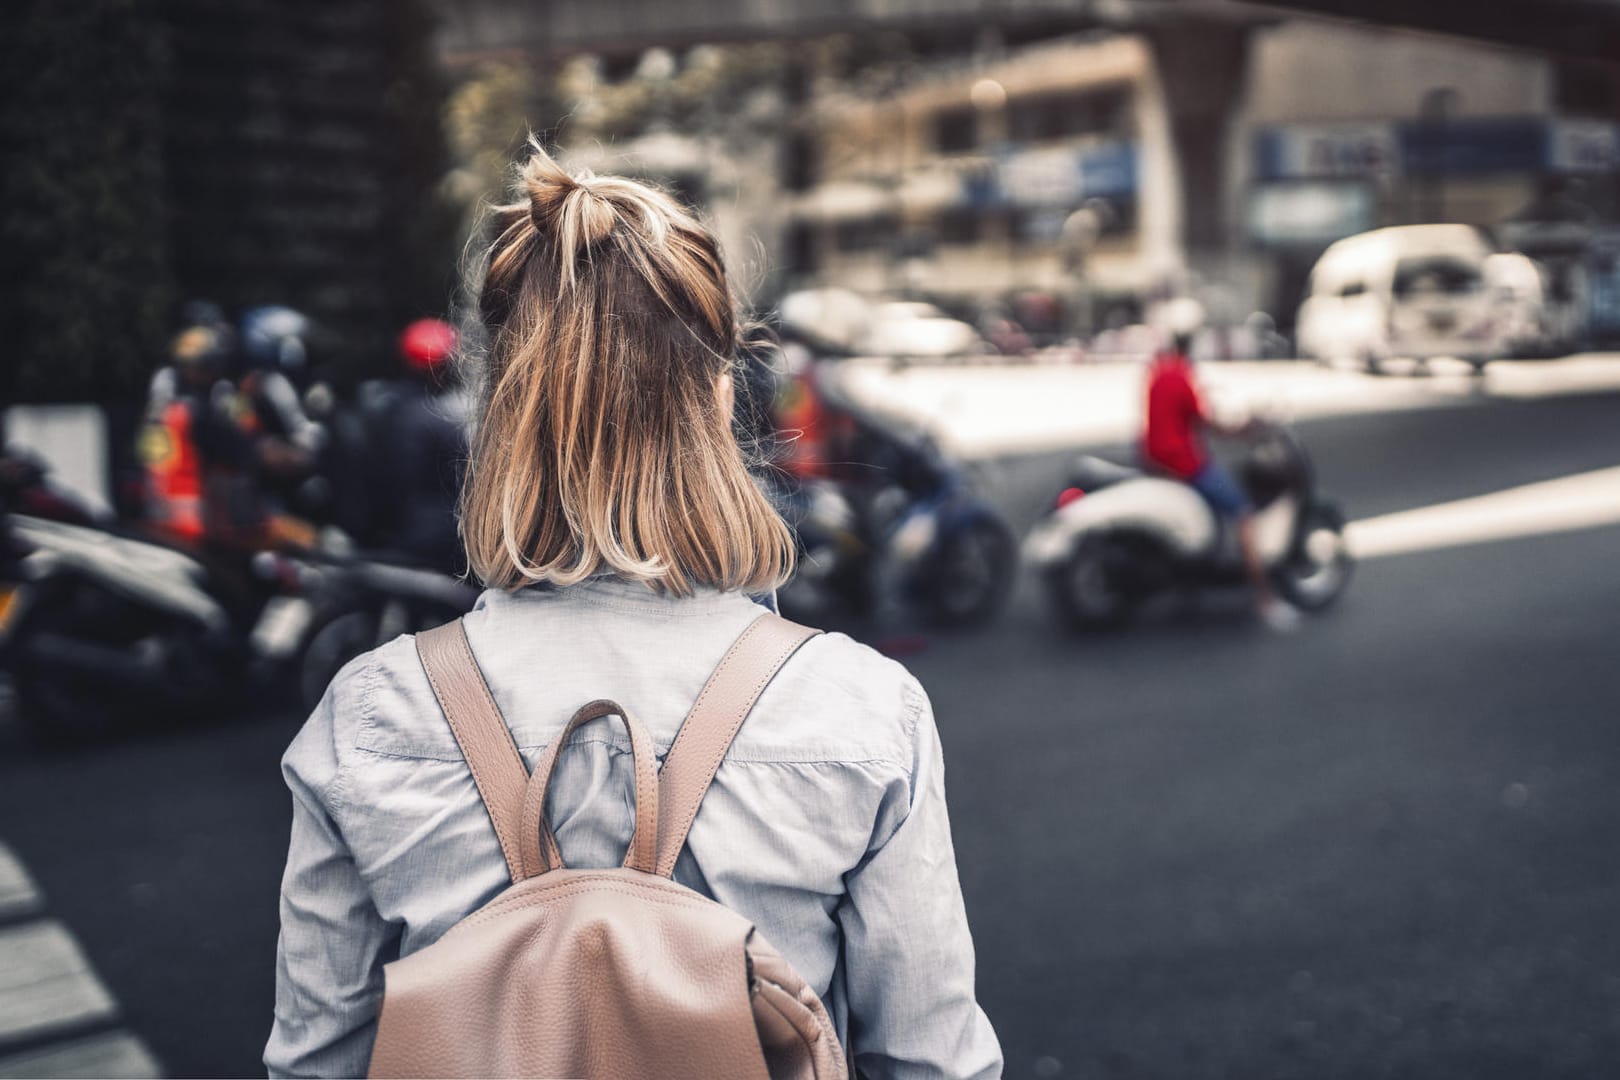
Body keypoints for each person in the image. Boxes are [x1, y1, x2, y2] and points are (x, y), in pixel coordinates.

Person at [265, 142, 1003, 1079]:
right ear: (717, 397)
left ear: (499, 411)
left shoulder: (367, 719)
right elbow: (932, 1062)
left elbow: (314, 1063)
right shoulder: (861, 710)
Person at [1140, 301, 1299, 630]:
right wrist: (1246, 427)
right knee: (1243, 514)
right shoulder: (1182, 374)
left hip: (1154, 458)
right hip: (1182, 463)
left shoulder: (1157, 370)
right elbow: (1210, 423)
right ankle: (1266, 603)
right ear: (1192, 339)